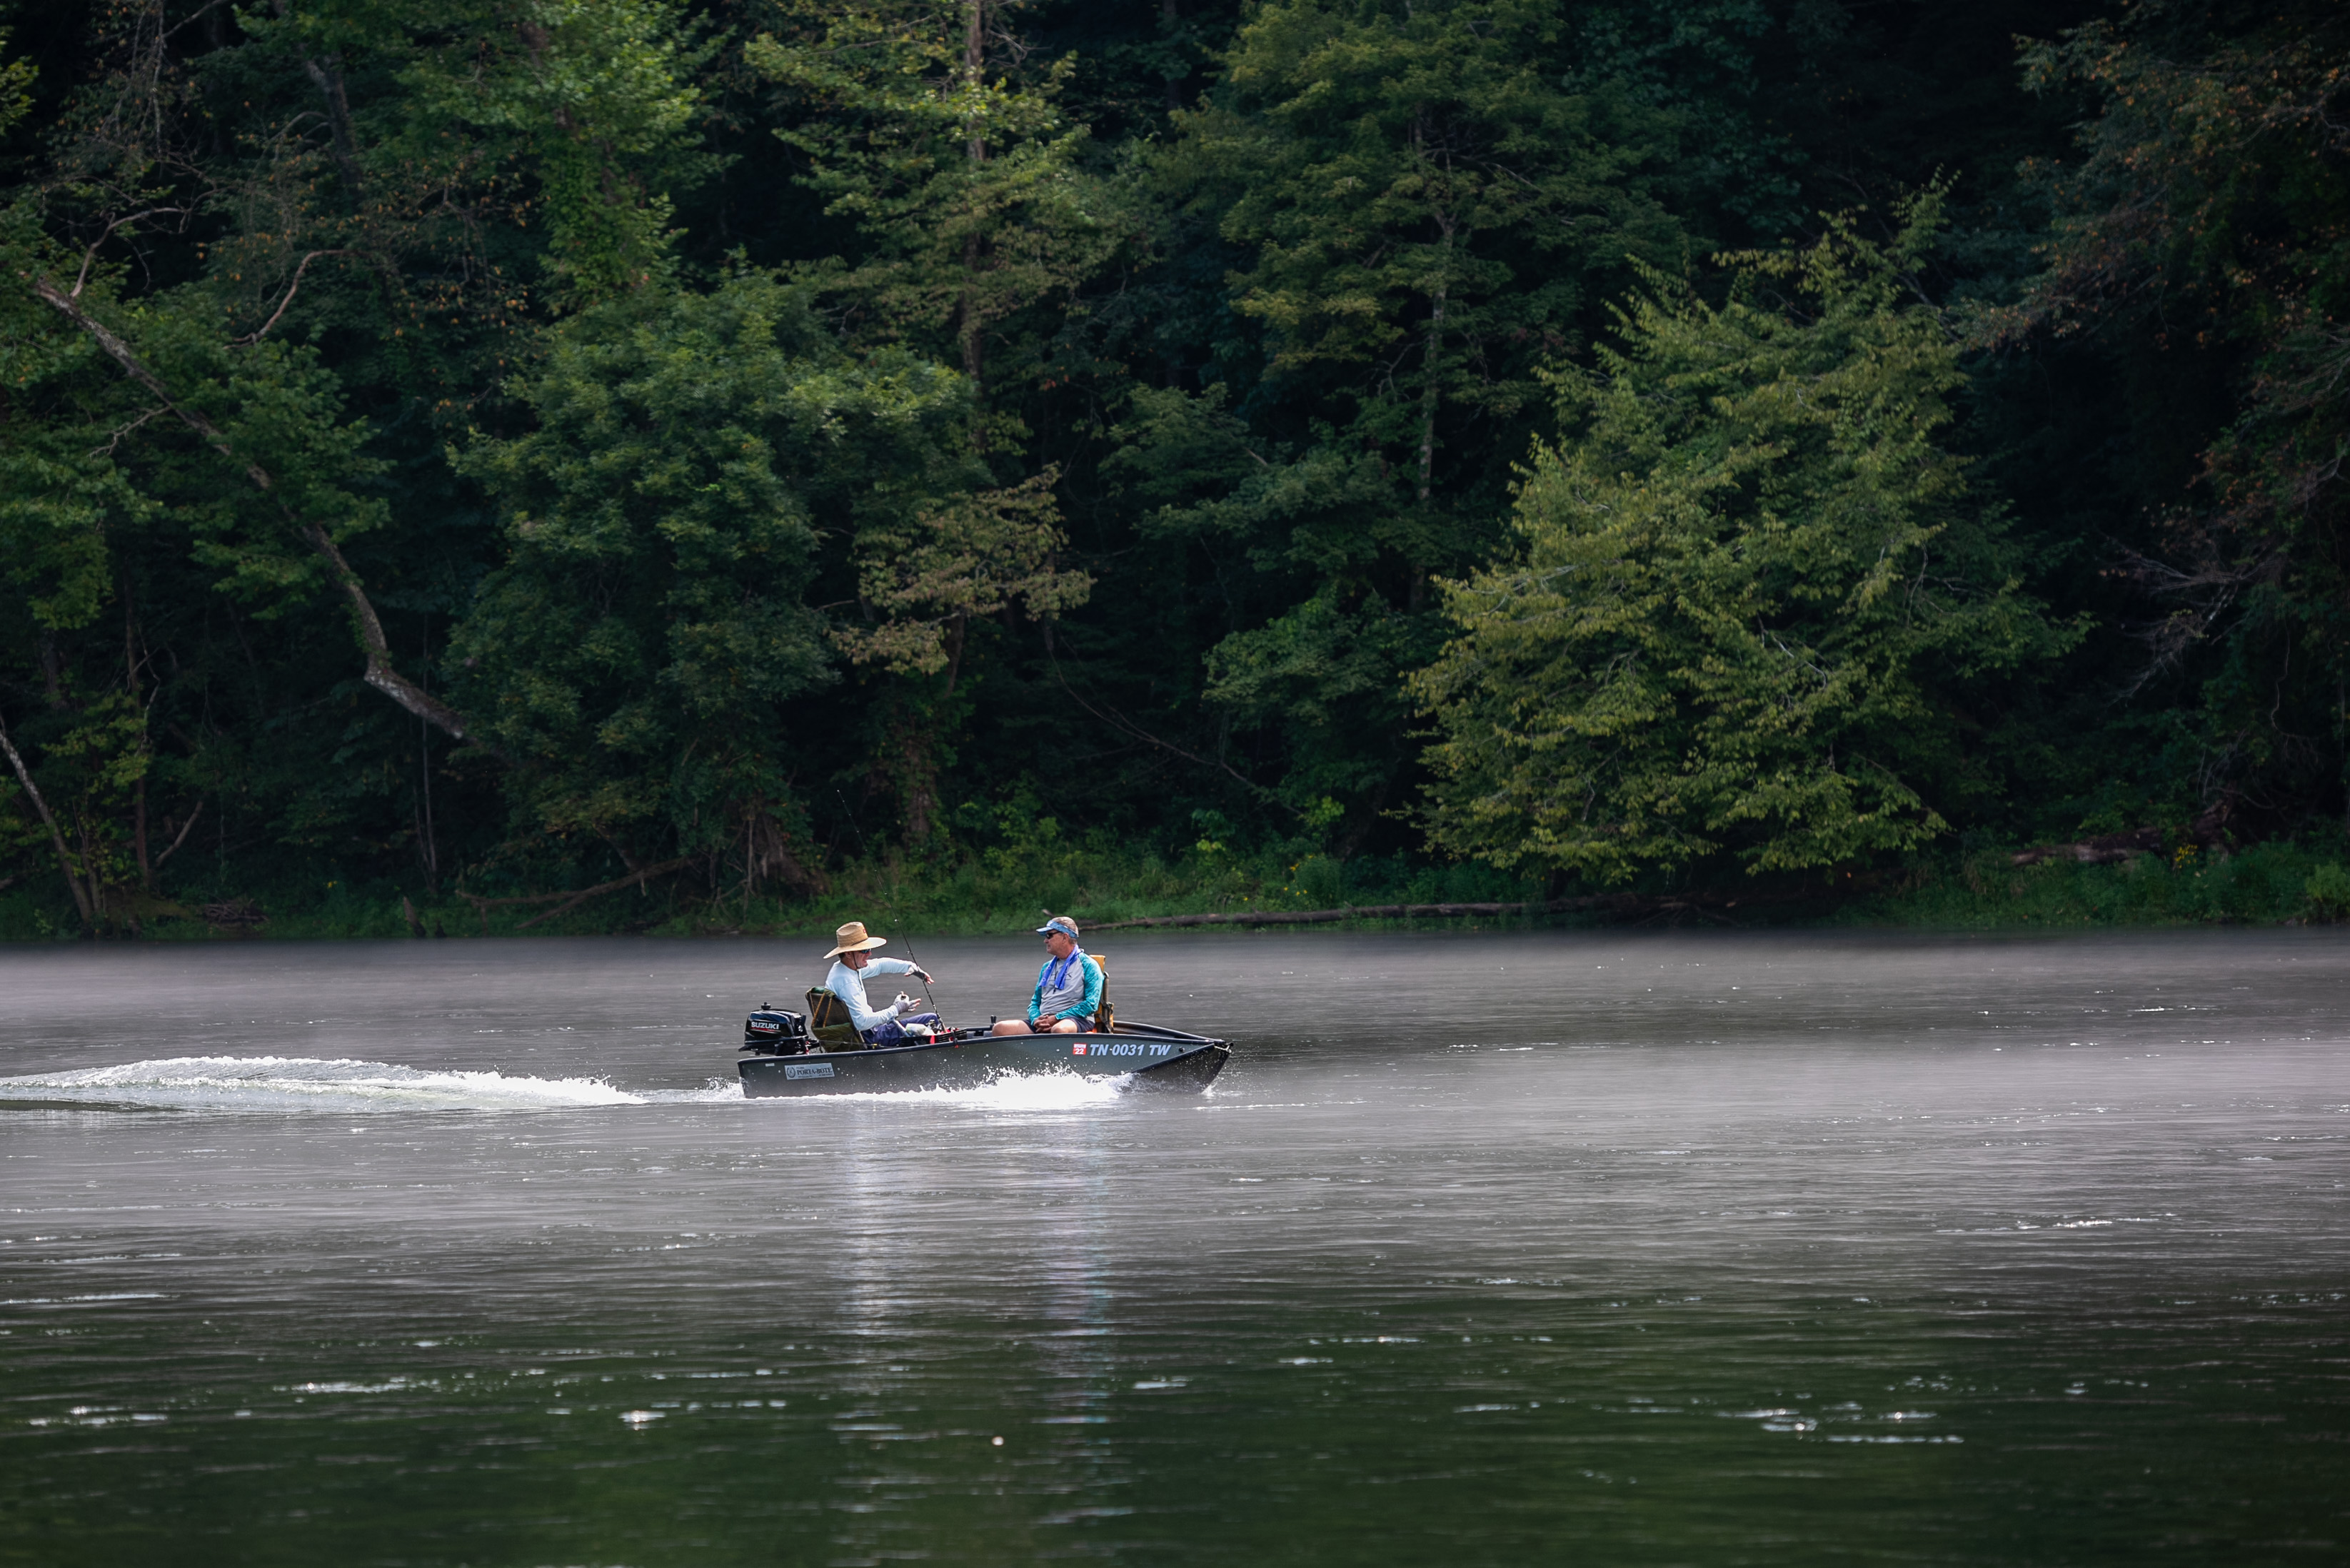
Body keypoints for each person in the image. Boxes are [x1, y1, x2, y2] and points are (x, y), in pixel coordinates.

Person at [821, 920, 939, 1045]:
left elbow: (880, 965)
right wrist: (896, 1009)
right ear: (849, 953)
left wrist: (911, 966)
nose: (870, 954)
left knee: (929, 1021)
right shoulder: (847, 982)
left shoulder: (844, 968)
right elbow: (862, 1023)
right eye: (865, 950)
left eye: (869, 949)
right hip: (871, 1037)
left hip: (869, 1032)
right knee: (932, 1020)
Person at [991, 915, 1102, 1035]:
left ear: (1065, 937)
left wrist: (1056, 1018)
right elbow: (1035, 1003)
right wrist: (1036, 1020)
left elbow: (1091, 1004)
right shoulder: (1046, 967)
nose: (1045, 941)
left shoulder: (1089, 965)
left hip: (1076, 1020)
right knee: (1000, 1028)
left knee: (1059, 1030)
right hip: (1045, 1020)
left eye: (1049, 936)